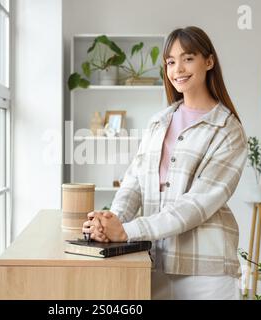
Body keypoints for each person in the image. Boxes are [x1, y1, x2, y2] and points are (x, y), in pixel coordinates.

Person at [82, 26, 247, 300]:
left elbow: (195, 205)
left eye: (188, 58)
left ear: (209, 61)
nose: (178, 69)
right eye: (171, 61)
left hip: (205, 272)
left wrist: (127, 230)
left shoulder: (227, 130)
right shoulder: (159, 121)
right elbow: (133, 182)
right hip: (152, 262)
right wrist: (111, 220)